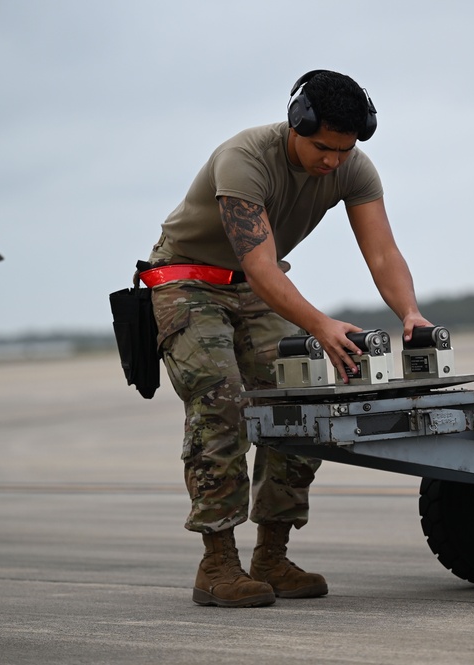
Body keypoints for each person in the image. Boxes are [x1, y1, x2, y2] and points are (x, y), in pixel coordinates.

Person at [144, 69, 432, 608]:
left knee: (301, 399)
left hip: (256, 290)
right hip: (188, 282)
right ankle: (218, 564)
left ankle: (271, 555)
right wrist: (320, 325)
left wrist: (409, 312)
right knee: (222, 405)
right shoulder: (244, 159)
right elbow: (260, 266)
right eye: (322, 148)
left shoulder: (353, 169)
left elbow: (383, 253)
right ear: (296, 123)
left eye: (343, 151)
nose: (332, 162)